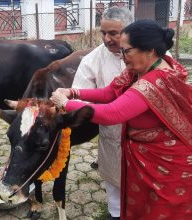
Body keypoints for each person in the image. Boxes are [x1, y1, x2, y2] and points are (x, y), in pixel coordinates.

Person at [50, 19, 192, 219]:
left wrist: (65, 103)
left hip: (167, 164)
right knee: (143, 208)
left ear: (149, 50)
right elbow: (110, 93)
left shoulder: (153, 83)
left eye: (126, 51)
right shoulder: (143, 69)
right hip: (148, 157)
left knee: (160, 212)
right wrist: (73, 92)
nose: (122, 57)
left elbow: (111, 113)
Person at [71, 6, 133, 220]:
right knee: (114, 179)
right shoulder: (93, 59)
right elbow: (81, 98)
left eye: (113, 33)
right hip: (113, 133)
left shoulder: (150, 52)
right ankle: (115, 213)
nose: (107, 39)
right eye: (103, 33)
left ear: (129, 30)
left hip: (146, 135)